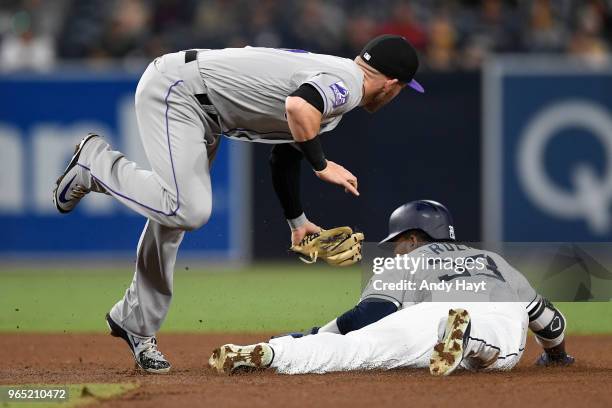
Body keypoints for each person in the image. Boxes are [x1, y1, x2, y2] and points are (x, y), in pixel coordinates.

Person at [52, 35, 424, 374]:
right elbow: (299, 106)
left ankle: (136, 322)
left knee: (174, 216)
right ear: (392, 85)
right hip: (178, 91)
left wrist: (298, 222)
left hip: (201, 108)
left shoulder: (338, 79)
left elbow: (284, 157)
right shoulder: (349, 85)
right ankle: (94, 163)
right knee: (187, 209)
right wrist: (323, 165)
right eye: (403, 89)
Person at [208, 200, 575, 376]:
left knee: (355, 349)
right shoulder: (495, 261)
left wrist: (315, 334)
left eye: (398, 239)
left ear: (414, 237)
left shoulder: (404, 261)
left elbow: (371, 313)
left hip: (429, 317)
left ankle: (272, 354)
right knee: (499, 341)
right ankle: (470, 335)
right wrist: (556, 356)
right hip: (486, 313)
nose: (394, 247)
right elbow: (551, 322)